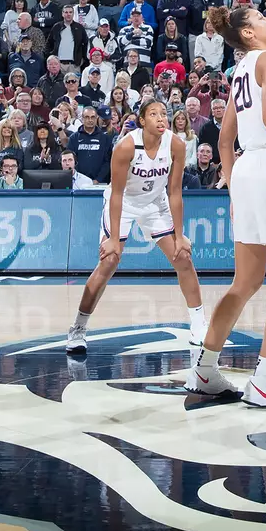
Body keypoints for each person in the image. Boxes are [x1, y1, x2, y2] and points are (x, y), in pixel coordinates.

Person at [186, 5, 266, 408]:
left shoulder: (238, 70)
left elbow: (225, 142)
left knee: (246, 281)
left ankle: (205, 370)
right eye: (260, 17)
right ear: (249, 34)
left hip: (245, 170)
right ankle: (263, 382)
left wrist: (232, 185)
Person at [65, 99, 206, 352]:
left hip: (155, 202)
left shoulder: (176, 143)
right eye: (154, 114)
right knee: (109, 261)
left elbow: (175, 192)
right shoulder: (126, 145)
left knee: (183, 257)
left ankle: (199, 325)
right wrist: (113, 240)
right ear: (142, 120)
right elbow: (117, 193)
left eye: (164, 113)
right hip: (125, 202)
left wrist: (180, 235)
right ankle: (78, 327)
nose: (161, 118)